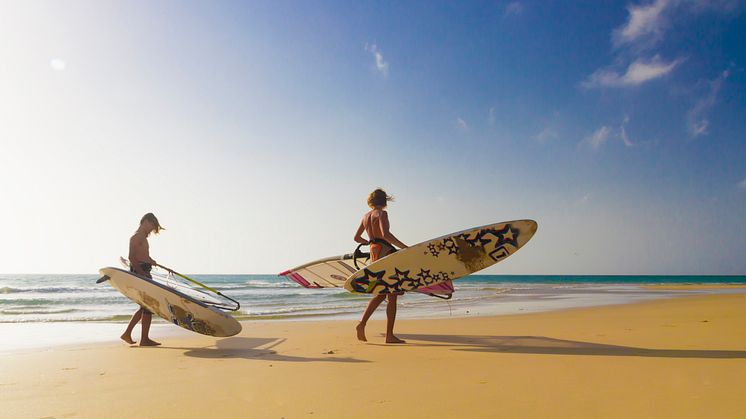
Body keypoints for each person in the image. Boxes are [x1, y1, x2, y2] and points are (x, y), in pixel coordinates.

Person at [353, 188, 408, 344]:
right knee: (392, 294)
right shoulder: (382, 214)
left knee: (381, 293)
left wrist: (370, 242)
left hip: (374, 253)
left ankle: (362, 324)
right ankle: (389, 335)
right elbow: (385, 235)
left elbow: (357, 238)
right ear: (384, 201)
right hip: (385, 251)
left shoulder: (365, 216)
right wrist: (405, 248)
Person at [120, 213, 164, 347]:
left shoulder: (142, 238)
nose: (151, 230)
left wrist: (151, 261)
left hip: (144, 271)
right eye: (151, 226)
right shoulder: (136, 237)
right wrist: (142, 275)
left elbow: (142, 256)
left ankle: (129, 334)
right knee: (147, 306)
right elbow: (132, 258)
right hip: (140, 273)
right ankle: (143, 339)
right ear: (145, 221)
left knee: (145, 307)